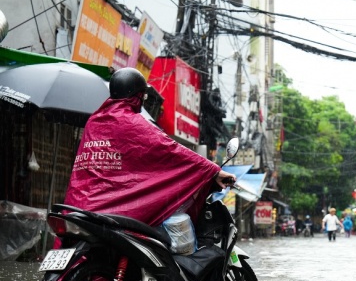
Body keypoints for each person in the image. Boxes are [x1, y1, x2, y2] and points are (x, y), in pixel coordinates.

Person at [64, 68, 234, 227]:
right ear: (137, 96)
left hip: (77, 205)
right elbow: (171, 150)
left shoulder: (94, 121)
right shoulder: (132, 122)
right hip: (110, 213)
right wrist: (213, 170)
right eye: (143, 97)